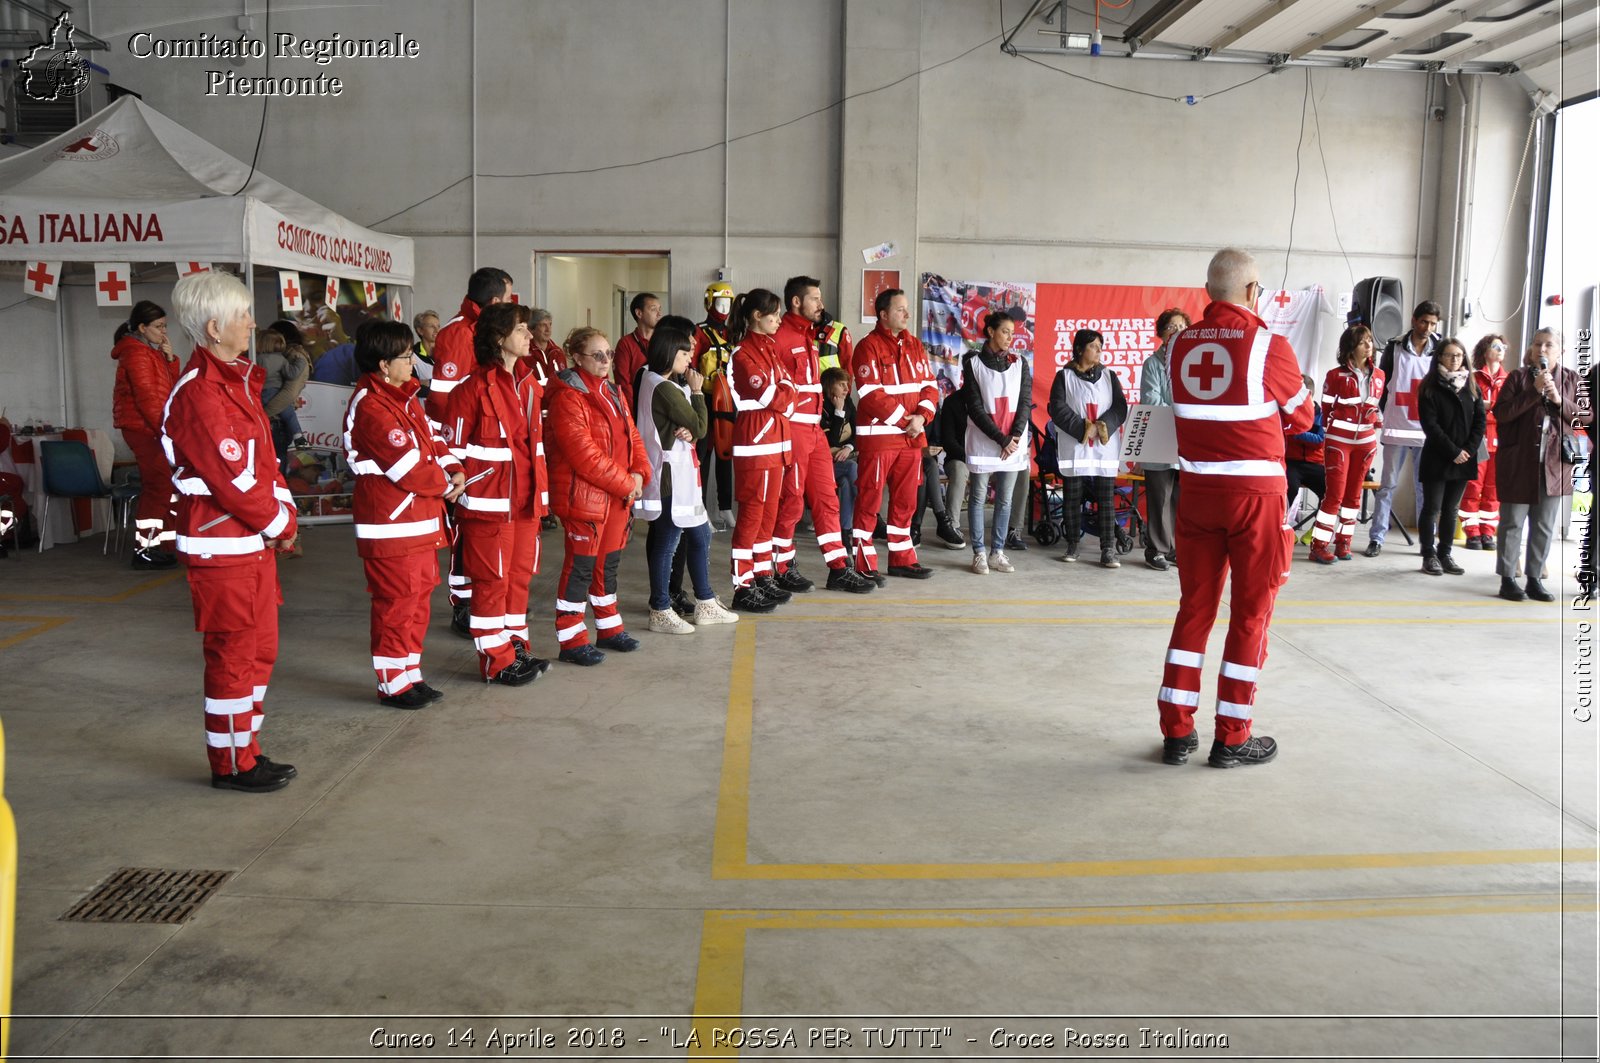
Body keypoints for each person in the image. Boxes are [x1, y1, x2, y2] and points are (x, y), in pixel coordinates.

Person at [1155, 248, 1315, 769]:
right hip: (1256, 498)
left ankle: (1177, 733)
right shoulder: (1270, 345)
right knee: (1250, 616)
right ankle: (1232, 737)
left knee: (1194, 611)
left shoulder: (1177, 347)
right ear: (1252, 291)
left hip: (1197, 495)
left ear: (1208, 293)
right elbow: (1301, 417)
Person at [162, 270, 300, 793]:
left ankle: (247, 750)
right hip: (222, 547)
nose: (252, 323)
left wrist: (279, 516)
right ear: (215, 328)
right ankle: (231, 763)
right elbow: (231, 479)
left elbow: (264, 464)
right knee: (233, 656)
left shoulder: (236, 382)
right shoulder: (201, 394)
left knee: (258, 651)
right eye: (243, 315)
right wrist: (281, 520)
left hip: (250, 544)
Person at [344, 320, 466, 707]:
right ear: (383, 364)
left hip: (418, 521)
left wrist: (454, 467)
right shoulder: (371, 407)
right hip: (391, 525)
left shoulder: (405, 397)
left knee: (415, 604)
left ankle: (410, 673)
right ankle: (392, 684)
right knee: (396, 605)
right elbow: (408, 467)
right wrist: (447, 484)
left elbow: (432, 439)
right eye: (405, 356)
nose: (413, 362)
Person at [444, 303, 552, 684]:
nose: (528, 334)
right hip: (488, 508)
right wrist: (455, 474)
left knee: (519, 578)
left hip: (525, 502)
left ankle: (515, 645)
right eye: (520, 328)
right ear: (497, 337)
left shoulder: (529, 384)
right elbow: (451, 451)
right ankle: (496, 660)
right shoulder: (471, 390)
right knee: (491, 584)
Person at [546, 326, 652, 662]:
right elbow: (584, 456)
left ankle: (608, 628)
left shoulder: (613, 391)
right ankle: (572, 640)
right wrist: (627, 483)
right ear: (576, 358)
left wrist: (639, 473)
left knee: (607, 566)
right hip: (586, 500)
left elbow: (633, 437)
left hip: (616, 498)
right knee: (580, 569)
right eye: (597, 355)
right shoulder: (567, 397)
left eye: (608, 354)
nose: (606, 360)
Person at [770, 276, 876, 595]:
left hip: (815, 430)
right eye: (815, 299)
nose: (821, 304)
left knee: (827, 498)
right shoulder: (779, 337)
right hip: (793, 430)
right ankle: (782, 567)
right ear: (796, 302)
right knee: (791, 500)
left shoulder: (809, 336)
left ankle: (838, 568)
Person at [424, 267, 515, 635]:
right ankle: (463, 604)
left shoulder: (481, 330)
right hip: (466, 450)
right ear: (495, 301)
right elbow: (445, 401)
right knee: (464, 530)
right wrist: (453, 458)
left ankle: (477, 599)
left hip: (488, 450)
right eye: (509, 298)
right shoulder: (459, 333)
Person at [636, 326, 740, 632]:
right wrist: (696, 393)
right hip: (670, 476)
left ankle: (705, 601)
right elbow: (700, 425)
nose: (690, 357)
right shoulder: (663, 386)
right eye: (684, 352)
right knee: (667, 540)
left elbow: (691, 428)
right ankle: (660, 608)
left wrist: (690, 428)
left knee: (700, 535)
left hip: (682, 472)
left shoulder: (654, 380)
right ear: (669, 352)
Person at [1494, 328, 1592, 602]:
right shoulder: (1518, 377)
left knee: (1544, 525)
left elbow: (1585, 418)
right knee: (1512, 522)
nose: (1542, 349)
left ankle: (1535, 578)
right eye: (1538, 344)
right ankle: (1508, 578)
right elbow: (1502, 414)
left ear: (1560, 350)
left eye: (1549, 345)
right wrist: (1533, 393)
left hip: (1555, 464)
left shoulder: (1574, 379)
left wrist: (1560, 402)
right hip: (1520, 461)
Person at [851, 288, 939, 580]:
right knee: (870, 500)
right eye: (901, 309)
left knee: (905, 501)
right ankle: (864, 565)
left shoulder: (914, 345)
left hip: (910, 439)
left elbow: (930, 387)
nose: (907, 314)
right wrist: (907, 420)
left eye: (906, 309)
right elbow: (869, 394)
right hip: (879, 439)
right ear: (884, 314)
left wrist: (922, 418)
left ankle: (902, 560)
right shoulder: (867, 347)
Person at [726, 289, 796, 611]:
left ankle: (762, 574)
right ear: (757, 315)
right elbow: (777, 398)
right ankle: (742, 586)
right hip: (756, 446)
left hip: (776, 445)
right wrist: (782, 394)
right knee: (752, 516)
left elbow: (790, 391)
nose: (778, 321)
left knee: (768, 516)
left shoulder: (770, 350)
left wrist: (782, 393)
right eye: (774, 315)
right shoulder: (743, 354)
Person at [1048, 328, 1128, 569]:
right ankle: (1072, 543)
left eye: (1100, 346)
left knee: (1105, 498)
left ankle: (1108, 549)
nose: (1099, 350)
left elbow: (1119, 408)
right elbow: (1058, 409)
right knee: (1073, 497)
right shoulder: (1064, 376)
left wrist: (1101, 427)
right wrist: (1084, 429)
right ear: (1080, 349)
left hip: (1103, 449)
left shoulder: (1109, 376)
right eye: (1094, 346)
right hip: (1077, 446)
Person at [1365, 301, 1441, 556]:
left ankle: (1426, 542)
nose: (1428, 328)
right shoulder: (1394, 347)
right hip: (1397, 426)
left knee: (1424, 487)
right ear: (1413, 320)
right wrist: (1382, 413)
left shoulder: (1440, 349)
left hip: (1427, 429)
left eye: (1432, 324)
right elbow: (1383, 381)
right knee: (1388, 485)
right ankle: (1377, 538)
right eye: (1424, 322)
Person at [110, 299, 181, 569]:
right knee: (158, 486)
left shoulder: (147, 351)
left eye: (165, 326)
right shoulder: (136, 353)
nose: (163, 332)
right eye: (158, 326)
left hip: (150, 426)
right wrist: (165, 430)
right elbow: (148, 398)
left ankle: (163, 545)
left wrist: (170, 359)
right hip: (145, 428)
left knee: (166, 487)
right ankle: (145, 549)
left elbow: (169, 388)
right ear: (142, 327)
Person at [962, 310, 1033, 574]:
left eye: (1013, 333)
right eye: (1005, 331)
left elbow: (1024, 402)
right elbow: (975, 407)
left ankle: (998, 552)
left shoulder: (1021, 363)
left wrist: (1013, 437)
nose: (1010, 338)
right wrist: (1000, 438)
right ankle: (979, 552)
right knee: (979, 497)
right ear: (990, 331)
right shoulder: (972, 364)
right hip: (985, 440)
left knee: (1005, 500)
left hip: (1012, 443)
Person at [1310, 325, 1385, 564]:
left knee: (1353, 498)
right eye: (1363, 342)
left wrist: (1377, 419)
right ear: (1350, 348)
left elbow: (1376, 406)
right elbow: (1327, 409)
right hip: (1339, 443)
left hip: (1365, 444)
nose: (1368, 345)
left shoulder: (1380, 375)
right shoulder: (1335, 375)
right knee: (1334, 495)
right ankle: (1319, 545)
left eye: (1370, 341)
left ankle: (1344, 543)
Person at [1415, 338, 1485, 577]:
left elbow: (1480, 423)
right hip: (1438, 456)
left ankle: (1445, 553)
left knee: (1451, 509)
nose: (1455, 360)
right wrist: (1453, 451)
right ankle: (1429, 554)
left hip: (1465, 458)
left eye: (1459, 355)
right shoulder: (1429, 388)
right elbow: (1430, 426)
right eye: (1449, 355)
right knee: (1432, 508)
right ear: (1440, 358)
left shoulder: (1473, 387)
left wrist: (1468, 450)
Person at [1139, 308, 1188, 570]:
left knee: (1181, 497)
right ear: (1161, 333)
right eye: (1172, 327)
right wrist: (1180, 410)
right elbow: (1151, 400)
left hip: (1184, 439)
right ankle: (1156, 549)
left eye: (1182, 327)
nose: (1177, 331)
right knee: (1159, 496)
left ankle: (1174, 549)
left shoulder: (1190, 362)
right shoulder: (1152, 363)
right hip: (1159, 435)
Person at [1460, 334, 1509, 550]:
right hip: (1478, 439)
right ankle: (1471, 532)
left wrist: (1491, 408)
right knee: (1473, 485)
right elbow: (1469, 408)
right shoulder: (1472, 378)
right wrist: (1488, 408)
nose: (1501, 350)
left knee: (1493, 489)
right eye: (1496, 346)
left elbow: (1509, 411)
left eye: (1503, 347)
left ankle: (1488, 532)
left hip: (1501, 439)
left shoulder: (1509, 380)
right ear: (1484, 350)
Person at [695, 282, 738, 528]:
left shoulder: (733, 333)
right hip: (706, 398)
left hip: (728, 399)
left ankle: (724, 508)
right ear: (709, 302)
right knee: (703, 453)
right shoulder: (699, 332)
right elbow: (690, 365)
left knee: (726, 453)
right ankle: (700, 508)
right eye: (719, 302)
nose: (723, 308)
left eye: (727, 303)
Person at [256, 328, 311, 453]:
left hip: (260, 394)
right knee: (289, 414)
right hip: (274, 392)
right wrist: (301, 363)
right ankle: (299, 437)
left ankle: (298, 437)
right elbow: (291, 374)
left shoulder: (256, 359)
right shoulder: (281, 359)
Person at [1284, 375, 1327, 525]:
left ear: (1309, 394)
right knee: (1288, 491)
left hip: (1316, 464)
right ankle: (1285, 528)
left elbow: (1319, 440)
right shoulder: (1287, 412)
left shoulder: (1322, 415)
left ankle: (1316, 531)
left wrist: (1296, 432)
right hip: (1291, 463)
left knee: (1331, 494)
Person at [820, 367, 859, 534]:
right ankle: (869, 511)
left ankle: (845, 530)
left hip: (844, 458)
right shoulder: (820, 406)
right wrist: (839, 411)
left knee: (844, 483)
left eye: (847, 384)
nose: (846, 389)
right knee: (851, 467)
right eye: (841, 384)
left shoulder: (848, 401)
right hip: (823, 465)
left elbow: (859, 432)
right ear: (830, 387)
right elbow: (832, 440)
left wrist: (848, 447)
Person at [614, 292, 662, 416]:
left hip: (662, 407)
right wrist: (636, 412)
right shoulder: (625, 343)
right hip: (637, 409)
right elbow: (623, 383)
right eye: (653, 309)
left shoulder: (664, 341)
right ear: (639, 313)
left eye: (659, 309)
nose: (659, 314)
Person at [527, 308, 567, 386]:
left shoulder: (558, 352)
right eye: (543, 325)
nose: (548, 329)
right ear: (532, 329)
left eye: (550, 324)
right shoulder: (524, 353)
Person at [411, 309, 440, 393]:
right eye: (431, 326)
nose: (437, 330)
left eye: (438, 326)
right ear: (420, 330)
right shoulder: (411, 356)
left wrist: (429, 382)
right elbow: (412, 388)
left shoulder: (448, 353)